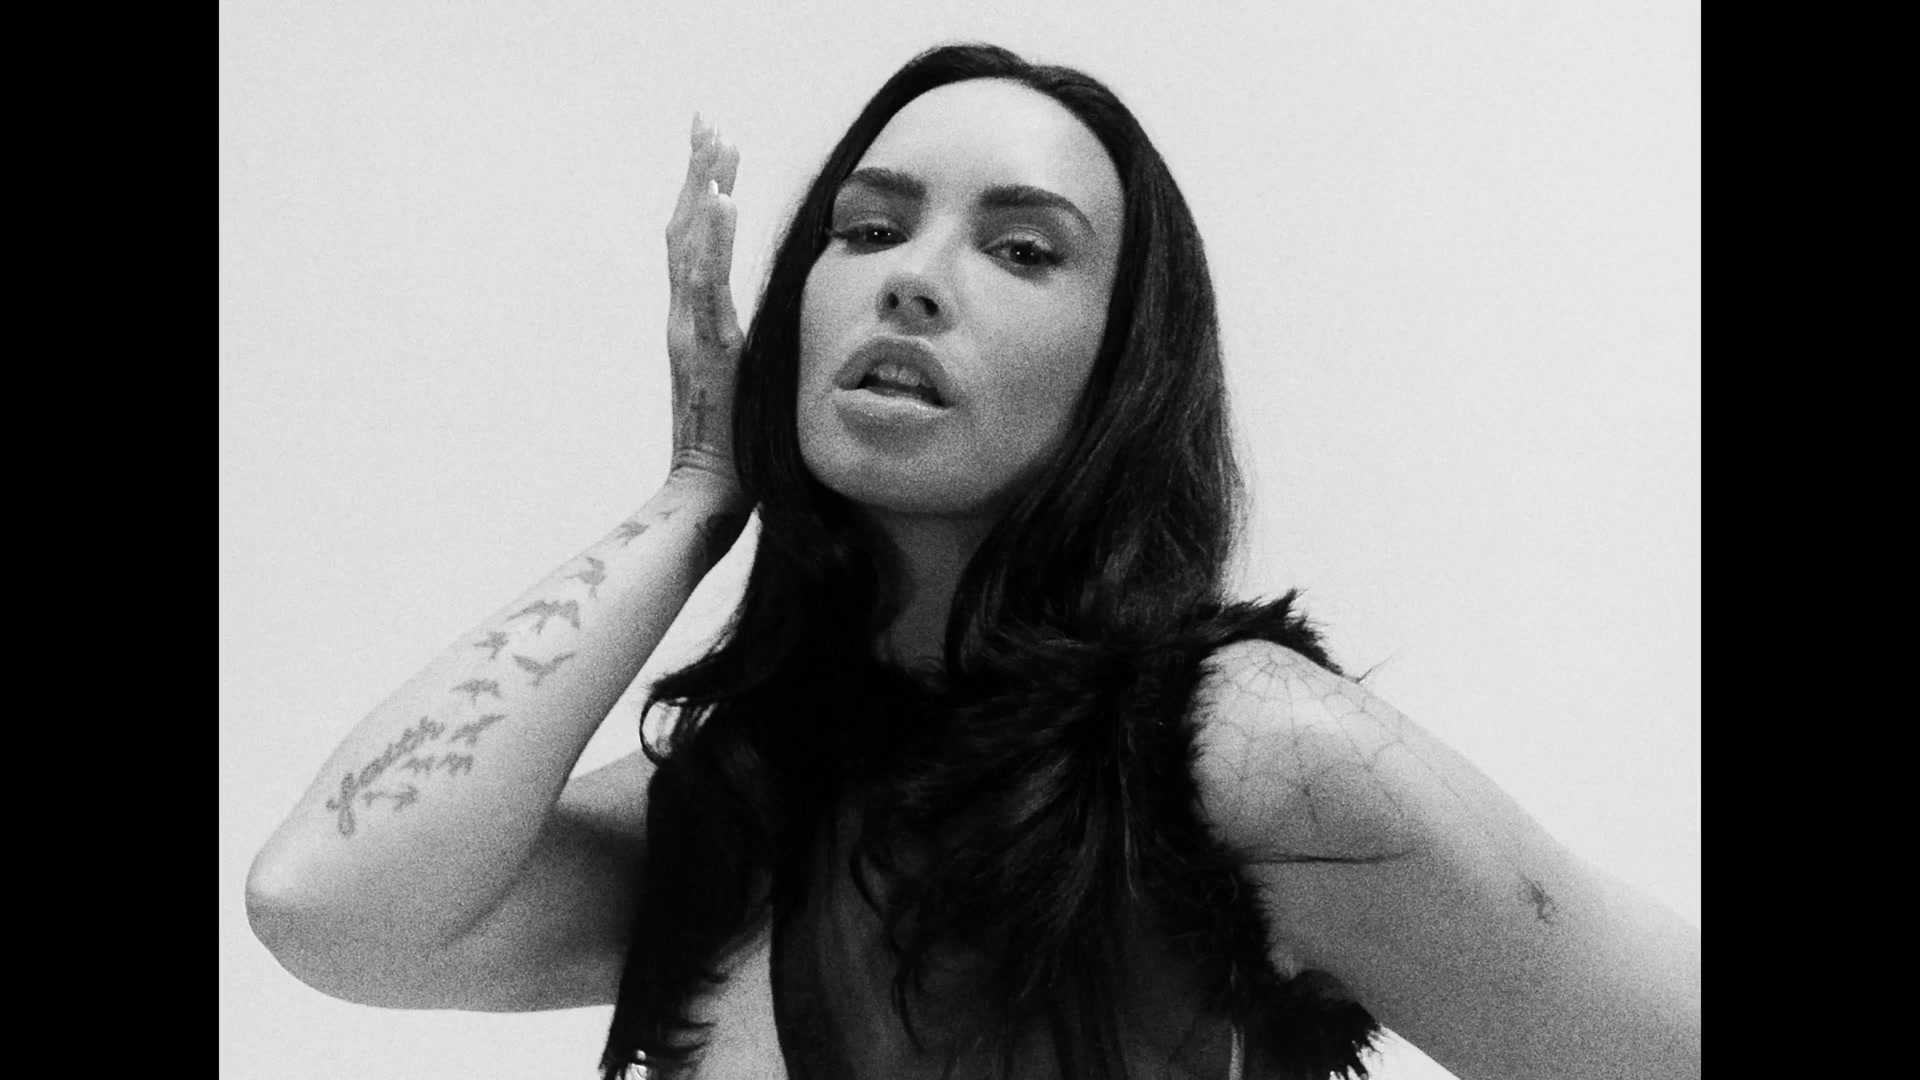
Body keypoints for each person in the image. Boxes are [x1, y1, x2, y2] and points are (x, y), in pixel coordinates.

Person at [246, 43, 1701, 1080]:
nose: (913, 277)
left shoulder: (1241, 755)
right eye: (869, 227)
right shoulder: (747, 798)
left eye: (1022, 250)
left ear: (1123, 370)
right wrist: (697, 491)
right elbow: (331, 907)